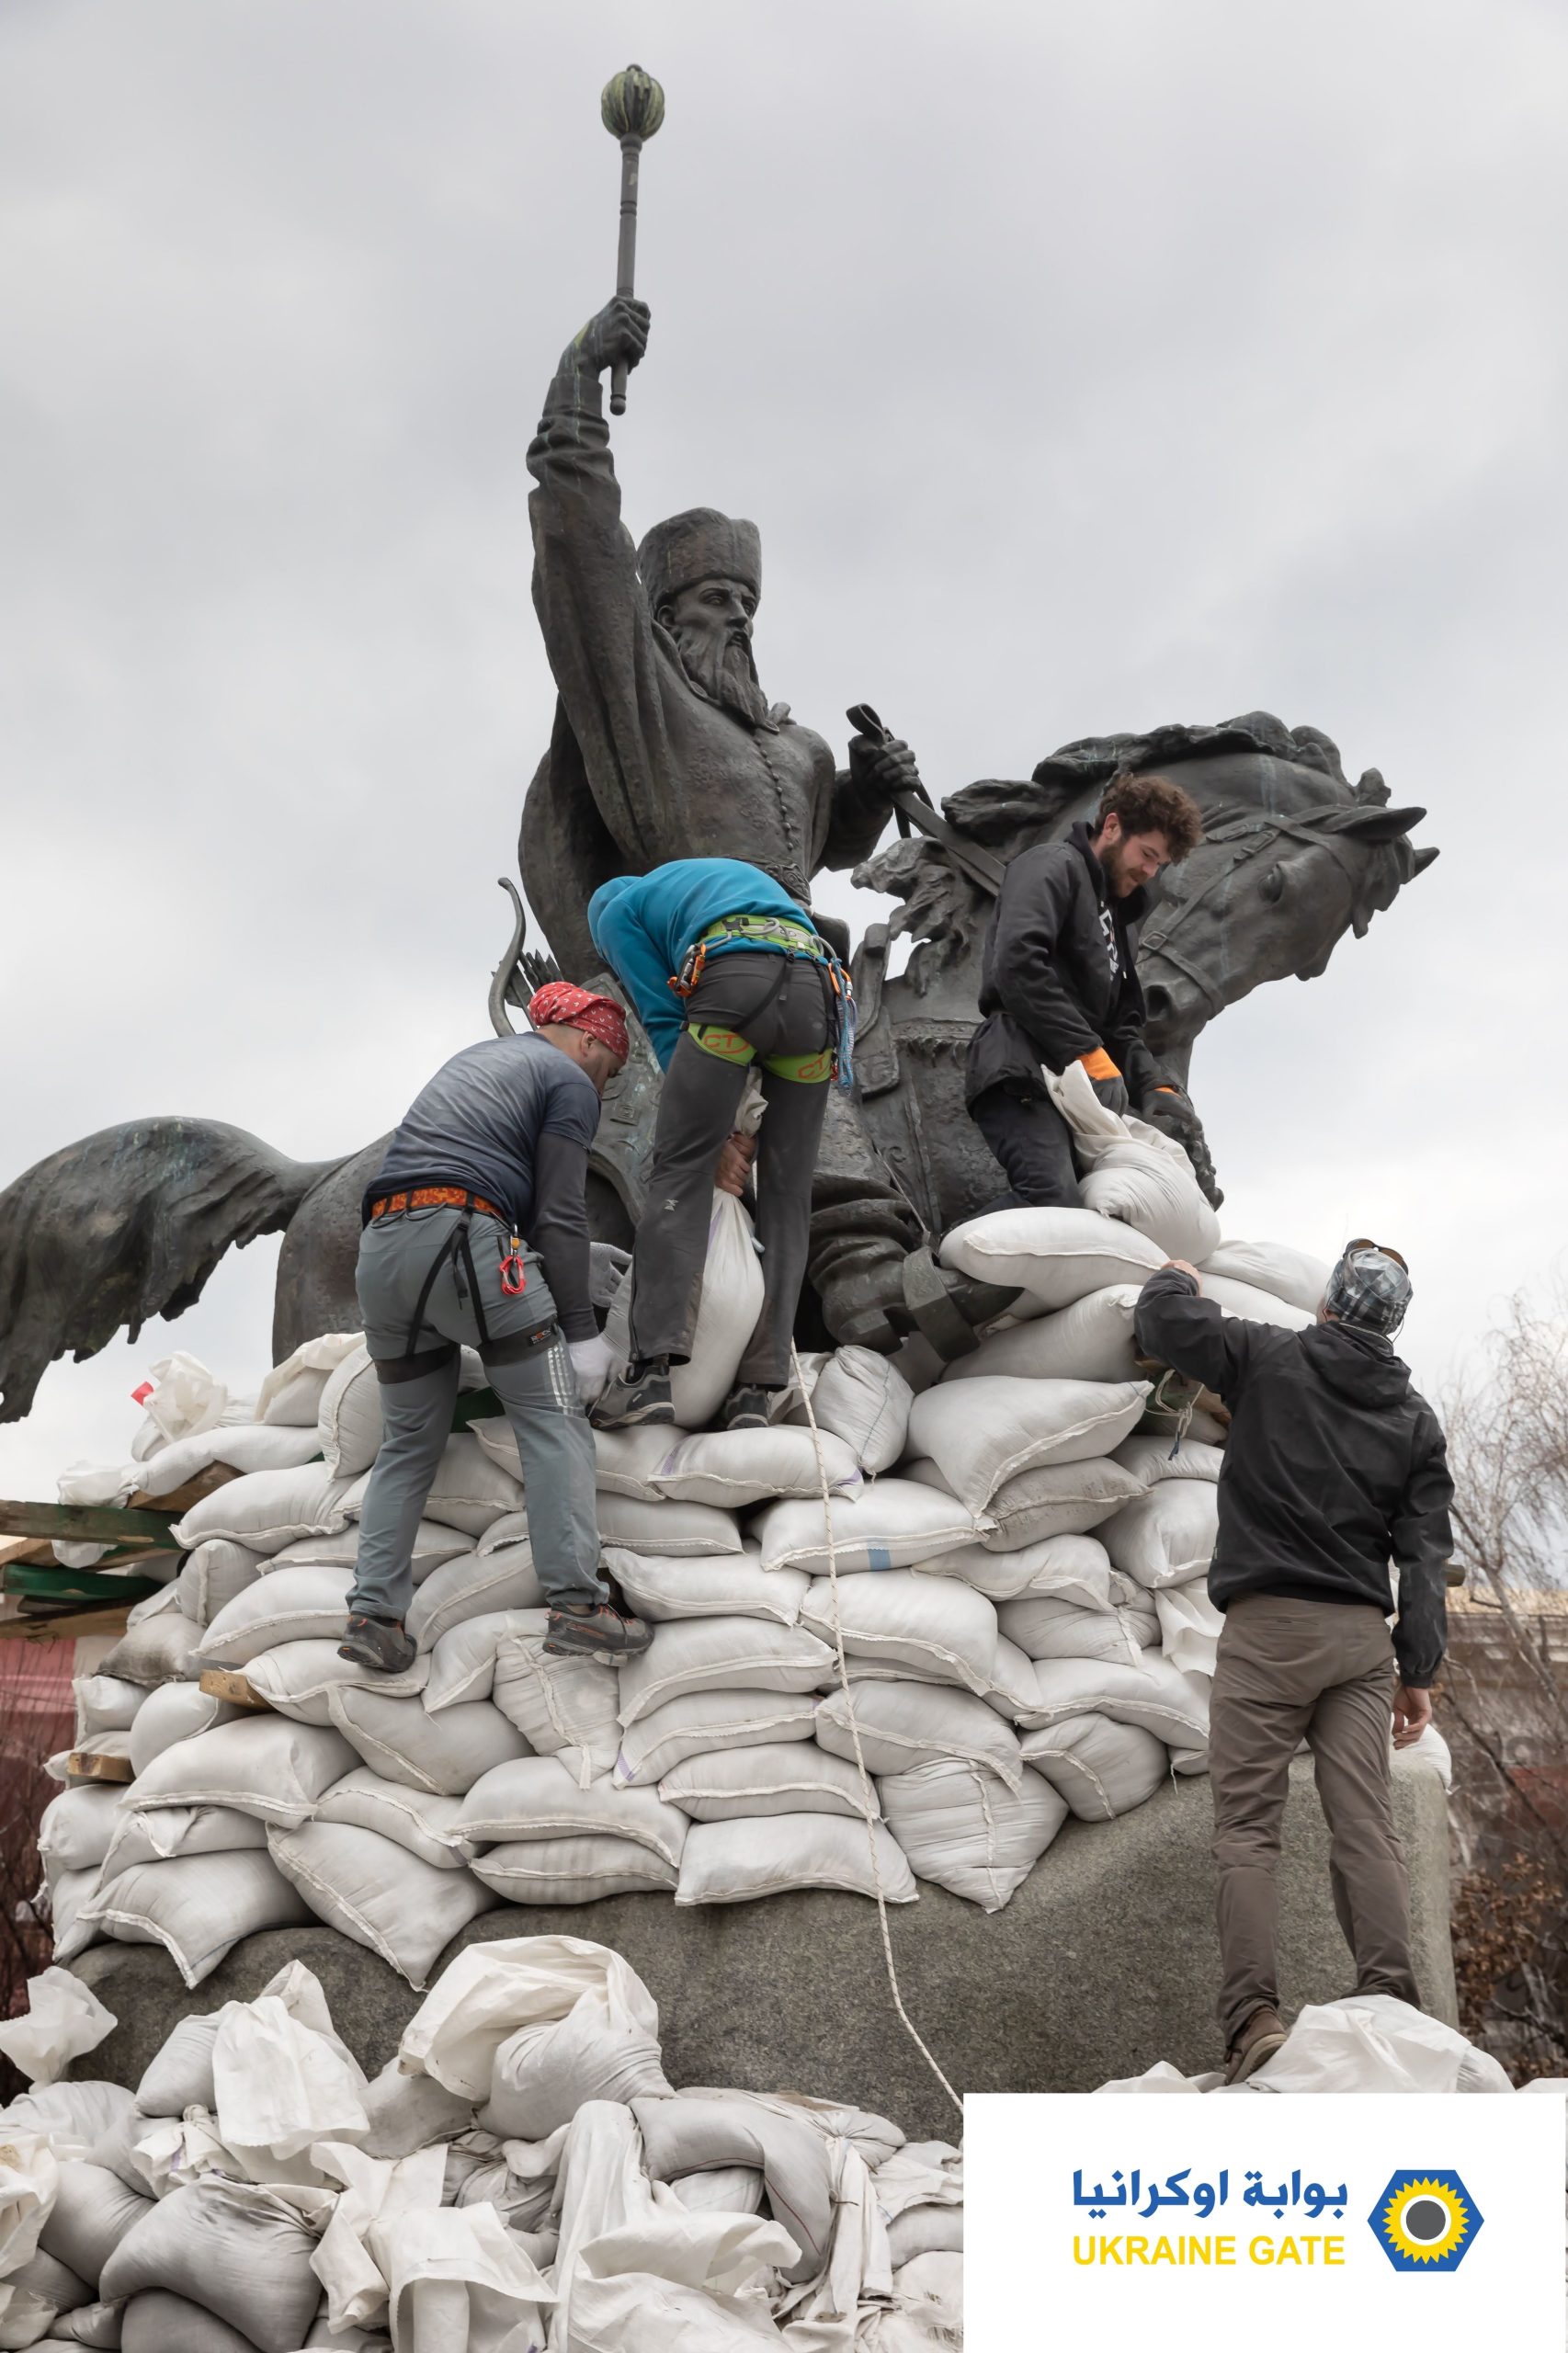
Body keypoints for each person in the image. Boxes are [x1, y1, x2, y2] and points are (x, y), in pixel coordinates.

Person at [519, 289, 933, 1349]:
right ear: (660, 620)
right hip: (690, 962)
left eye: (746, 605)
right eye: (713, 602)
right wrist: (577, 388)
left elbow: (828, 846)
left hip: (806, 967)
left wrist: (871, 790)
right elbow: (581, 559)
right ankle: (854, 1263)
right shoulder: (644, 708)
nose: (738, 618)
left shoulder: (790, 744)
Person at [1133, 1240, 1454, 2084]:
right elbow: (1425, 1558)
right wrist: (1417, 1672)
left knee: (1248, 1830)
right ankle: (1390, 2002)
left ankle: (1253, 2025)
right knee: (1366, 1827)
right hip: (1360, 1646)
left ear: (1326, 1306)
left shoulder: (1265, 1357)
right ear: (1392, 1329)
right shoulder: (1415, 1419)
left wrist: (1179, 1277)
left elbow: (1162, 1319)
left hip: (1268, 1633)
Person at [337, 983, 652, 1673]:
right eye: (611, 1066)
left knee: (409, 1442)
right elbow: (561, 1214)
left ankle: (374, 1617)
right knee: (551, 1414)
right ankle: (579, 1607)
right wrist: (581, 1331)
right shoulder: (568, 1079)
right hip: (462, 1240)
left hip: (385, 1253)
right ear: (589, 1040)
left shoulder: (479, 1061)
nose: (607, 1084)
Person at [586, 856, 845, 1432]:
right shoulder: (700, 886)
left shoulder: (615, 911)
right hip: (815, 1001)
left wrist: (715, 1130)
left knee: (680, 1170)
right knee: (785, 1194)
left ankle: (649, 1372)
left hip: (736, 986)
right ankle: (760, 1385)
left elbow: (662, 1017)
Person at [965, 770, 1205, 1209]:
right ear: (1112, 827)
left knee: (1106, 1212)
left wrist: (1156, 1086)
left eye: (1159, 864)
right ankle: (931, 1273)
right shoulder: (1050, 865)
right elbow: (1018, 964)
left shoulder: (1120, 922)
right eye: (1147, 854)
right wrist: (1086, 1051)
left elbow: (1122, 1028)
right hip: (1019, 1068)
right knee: (1051, 1199)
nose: (1150, 871)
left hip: (1077, 1091)